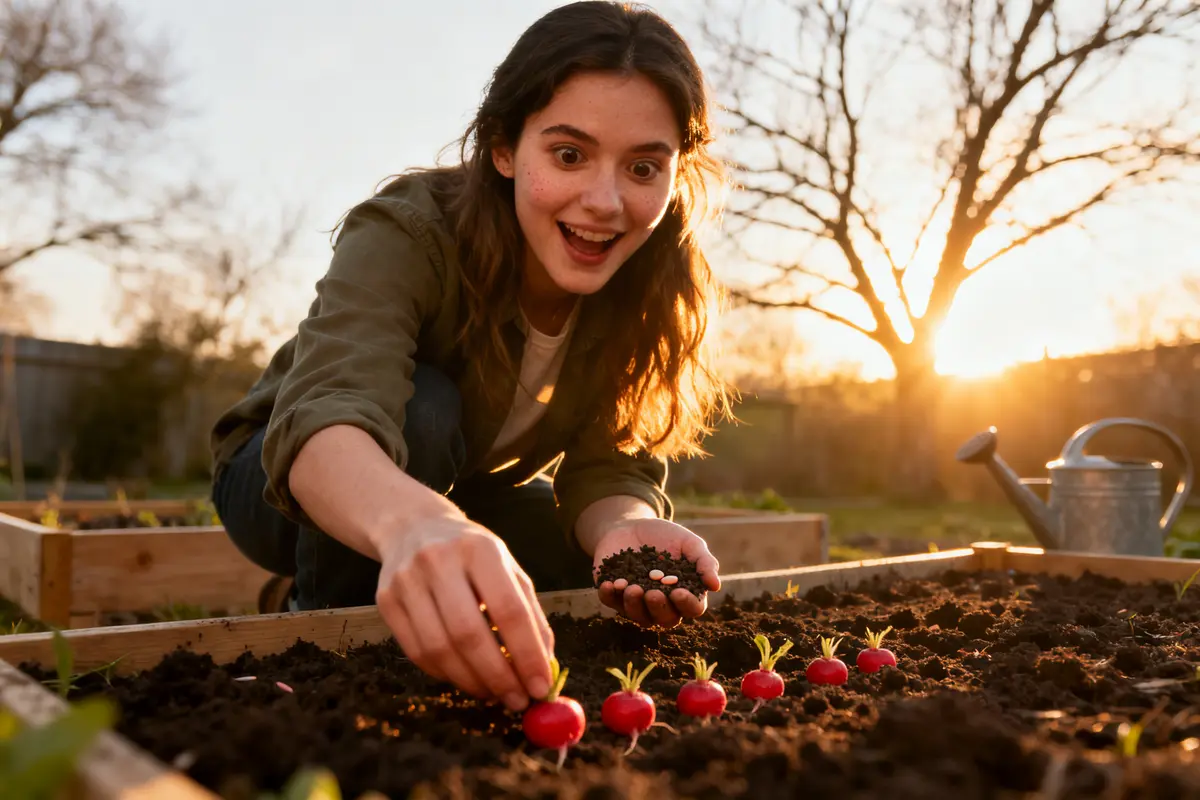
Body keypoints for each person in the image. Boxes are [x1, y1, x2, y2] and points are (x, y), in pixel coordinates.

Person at [209, 0, 733, 714]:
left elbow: (611, 462)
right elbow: (329, 415)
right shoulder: (409, 232)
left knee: (572, 557)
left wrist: (623, 527)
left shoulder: (641, 282)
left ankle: (403, 568)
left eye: (644, 167)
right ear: (504, 147)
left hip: (453, 488)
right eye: (569, 154)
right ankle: (318, 637)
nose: (606, 201)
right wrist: (415, 527)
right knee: (424, 408)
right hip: (285, 473)